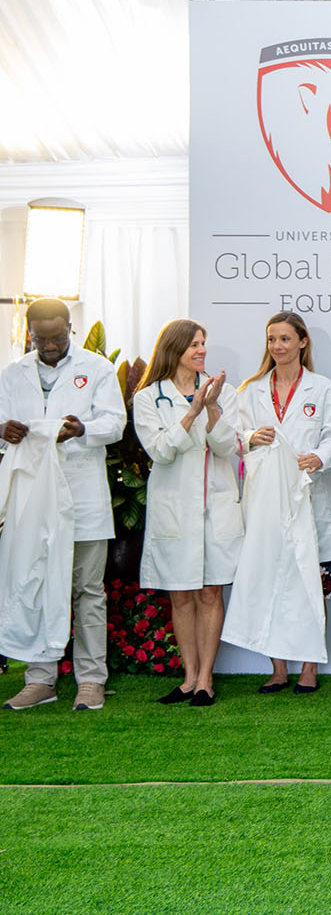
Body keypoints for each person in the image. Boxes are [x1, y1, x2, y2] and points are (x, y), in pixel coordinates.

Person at [0, 299, 126, 712]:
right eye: (40, 338)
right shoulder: (12, 374)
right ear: (28, 333)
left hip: (83, 496)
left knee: (88, 591)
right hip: (32, 500)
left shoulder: (97, 368)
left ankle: (91, 680)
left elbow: (115, 423)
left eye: (57, 337)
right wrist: (4, 431)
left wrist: (81, 429)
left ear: (71, 328)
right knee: (34, 580)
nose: (50, 345)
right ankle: (41, 679)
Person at [225, 311, 331, 695]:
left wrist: (319, 456)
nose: (277, 346)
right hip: (266, 503)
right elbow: (231, 438)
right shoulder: (251, 390)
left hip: (308, 498)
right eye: (271, 339)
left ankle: (310, 666)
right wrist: (249, 437)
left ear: (302, 342)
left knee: (312, 580)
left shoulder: (322, 389)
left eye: (284, 339)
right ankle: (278, 667)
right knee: (269, 581)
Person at [133, 320, 243, 707]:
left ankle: (206, 680)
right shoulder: (149, 398)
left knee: (211, 591)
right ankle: (189, 676)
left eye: (203, 344)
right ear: (174, 348)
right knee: (180, 594)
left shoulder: (221, 390)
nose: (201, 351)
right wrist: (191, 412)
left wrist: (210, 409)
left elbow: (229, 446)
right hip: (174, 507)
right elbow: (161, 451)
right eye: (194, 345)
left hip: (215, 504)